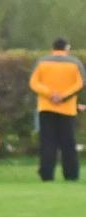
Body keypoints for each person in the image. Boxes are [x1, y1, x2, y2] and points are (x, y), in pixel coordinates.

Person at [29, 38, 85, 181]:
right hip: (68, 110)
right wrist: (63, 96)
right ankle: (71, 175)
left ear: (53, 48)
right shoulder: (74, 63)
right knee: (68, 143)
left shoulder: (42, 62)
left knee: (47, 142)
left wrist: (50, 94)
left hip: (46, 108)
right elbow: (80, 83)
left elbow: (34, 83)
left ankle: (47, 175)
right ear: (67, 48)